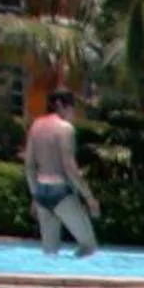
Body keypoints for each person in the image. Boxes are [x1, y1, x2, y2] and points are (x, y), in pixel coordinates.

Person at [23, 89, 100, 257]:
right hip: (61, 191)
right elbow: (70, 166)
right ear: (61, 106)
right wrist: (89, 198)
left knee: (49, 252)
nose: (73, 113)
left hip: (41, 191)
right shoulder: (65, 129)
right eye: (72, 108)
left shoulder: (35, 126)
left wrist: (34, 195)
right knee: (89, 246)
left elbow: (29, 165)